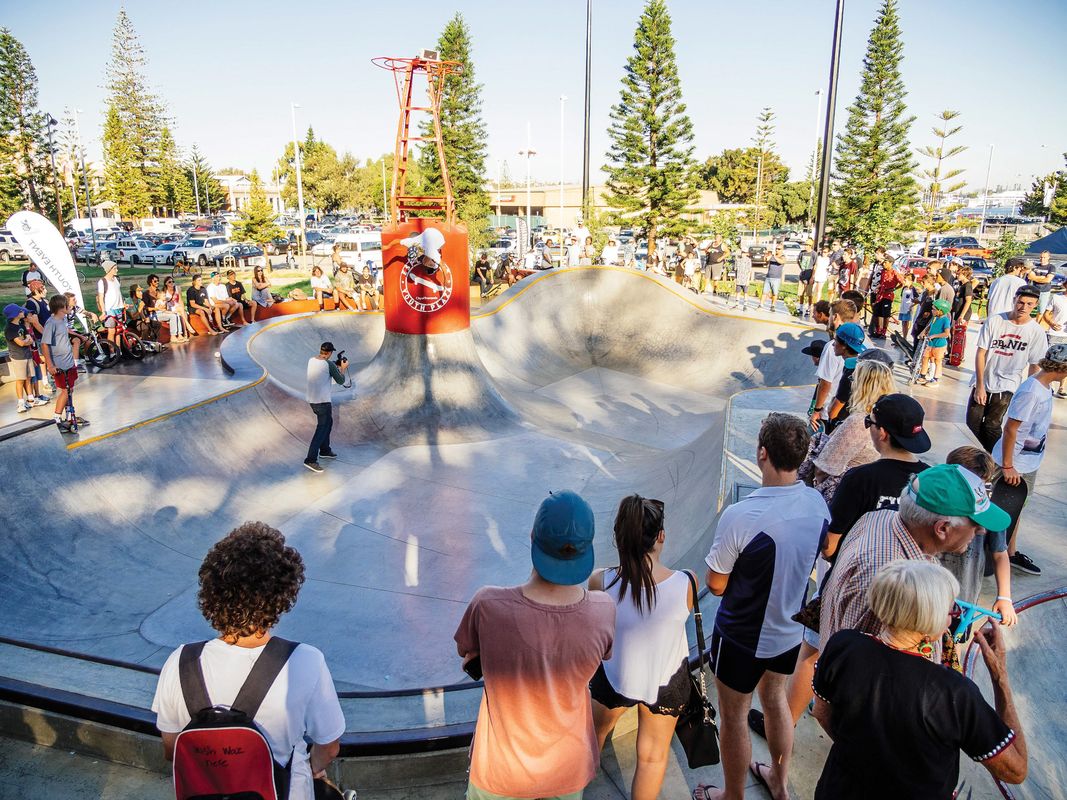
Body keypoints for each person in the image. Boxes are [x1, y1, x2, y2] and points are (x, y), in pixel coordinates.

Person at [152, 522, 345, 800]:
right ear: (282, 596)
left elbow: (172, 750)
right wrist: (312, 769)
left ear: (212, 593)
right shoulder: (305, 661)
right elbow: (329, 747)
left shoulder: (180, 662)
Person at [694, 413, 828, 800]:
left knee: (735, 716)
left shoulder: (742, 515)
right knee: (776, 701)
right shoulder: (817, 503)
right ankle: (780, 784)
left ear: (762, 453)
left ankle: (733, 795)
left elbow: (715, 584)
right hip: (788, 631)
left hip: (741, 635)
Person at [812, 560, 1028, 799]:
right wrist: (999, 676)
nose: (952, 619)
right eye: (951, 612)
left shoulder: (843, 646)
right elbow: (1016, 770)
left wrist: (868, 756)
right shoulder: (954, 693)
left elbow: (822, 713)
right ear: (929, 622)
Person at [454, 491, 615, 800]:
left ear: (532, 537)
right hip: (567, 767)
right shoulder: (603, 610)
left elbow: (465, 650)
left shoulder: (488, 604)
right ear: (587, 549)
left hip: (501, 770)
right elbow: (604, 654)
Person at [819, 463, 1010, 653]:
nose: (981, 531)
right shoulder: (896, 587)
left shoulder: (880, 517)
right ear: (943, 528)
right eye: (975, 524)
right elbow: (870, 662)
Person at [588, 496, 694, 800]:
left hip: (615, 674)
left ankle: (572, 788)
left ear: (619, 538)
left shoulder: (600, 581)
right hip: (666, 680)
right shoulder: (687, 582)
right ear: (661, 536)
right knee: (652, 758)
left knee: (592, 738)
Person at [990, 342, 1067, 577]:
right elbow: (1011, 428)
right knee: (1002, 509)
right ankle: (992, 554)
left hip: (1026, 461)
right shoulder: (1032, 391)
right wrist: (1008, 465)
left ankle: (1010, 552)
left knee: (1017, 508)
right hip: (1015, 463)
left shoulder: (1043, 386)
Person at [939, 446, 1017, 629]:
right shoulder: (935, 504)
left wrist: (1005, 597)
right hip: (929, 594)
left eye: (981, 486)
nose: (980, 530)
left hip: (964, 598)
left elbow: (1000, 554)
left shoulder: (988, 512)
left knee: (955, 638)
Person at [966, 285, 1047, 452]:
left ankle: (1000, 458)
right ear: (1014, 300)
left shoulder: (1036, 331)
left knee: (992, 424)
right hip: (984, 378)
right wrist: (980, 385)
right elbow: (981, 353)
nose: (1024, 307)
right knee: (972, 422)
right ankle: (998, 455)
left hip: (1008, 383)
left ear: (1035, 305)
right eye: (1021, 302)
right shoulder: (995, 321)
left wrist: (1030, 393)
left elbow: (1035, 365)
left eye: (1029, 304)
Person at [811, 360, 895, 504]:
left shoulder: (860, 421)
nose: (851, 383)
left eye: (853, 378)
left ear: (863, 385)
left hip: (844, 499)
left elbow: (824, 468)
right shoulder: (891, 416)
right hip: (870, 495)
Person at [41, 294, 89, 432]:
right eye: (67, 305)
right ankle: (56, 418)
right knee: (65, 390)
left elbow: (66, 332)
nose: (70, 307)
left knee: (70, 389)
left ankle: (69, 416)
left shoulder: (62, 320)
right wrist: (50, 365)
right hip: (59, 364)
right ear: (62, 307)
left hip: (68, 362)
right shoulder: (51, 323)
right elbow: (44, 344)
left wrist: (79, 336)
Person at [809, 299, 858, 432]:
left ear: (835, 317)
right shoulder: (862, 340)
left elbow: (825, 383)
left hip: (830, 410)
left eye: (830, 314)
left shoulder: (833, 347)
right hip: (851, 410)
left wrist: (817, 410)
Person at [303, 342, 347, 473]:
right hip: (322, 402)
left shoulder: (312, 360)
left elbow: (324, 368)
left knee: (328, 423)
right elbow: (341, 381)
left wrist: (335, 365)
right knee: (322, 429)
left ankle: (325, 450)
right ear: (330, 353)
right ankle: (310, 460)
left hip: (313, 400)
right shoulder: (329, 365)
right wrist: (343, 368)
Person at [4, 304, 38, 413]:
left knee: (28, 377)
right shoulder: (10, 329)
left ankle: (31, 399)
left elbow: (30, 340)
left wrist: (25, 341)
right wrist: (25, 341)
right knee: (20, 379)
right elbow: (21, 343)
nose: (23, 312)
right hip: (18, 357)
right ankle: (20, 402)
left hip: (27, 355)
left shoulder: (21, 326)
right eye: (20, 311)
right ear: (15, 314)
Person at [916, 299, 952, 386]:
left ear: (940, 311)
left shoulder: (945, 320)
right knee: (925, 358)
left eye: (934, 309)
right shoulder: (934, 318)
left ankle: (936, 379)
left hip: (939, 345)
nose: (932, 310)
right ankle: (922, 376)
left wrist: (934, 336)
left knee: (937, 361)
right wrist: (922, 333)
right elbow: (928, 327)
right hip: (930, 344)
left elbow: (946, 333)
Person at [96, 260, 124, 344]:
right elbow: (101, 297)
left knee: (118, 331)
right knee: (111, 331)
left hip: (119, 308)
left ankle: (118, 349)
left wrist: (123, 303)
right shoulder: (102, 281)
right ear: (109, 269)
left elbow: (119, 293)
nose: (117, 270)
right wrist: (103, 311)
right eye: (114, 269)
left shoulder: (116, 279)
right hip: (110, 309)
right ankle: (111, 350)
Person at [759, 243, 786, 312]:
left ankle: (773, 306)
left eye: (779, 249)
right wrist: (766, 256)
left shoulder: (783, 257)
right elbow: (766, 262)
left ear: (782, 250)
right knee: (764, 292)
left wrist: (774, 256)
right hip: (768, 277)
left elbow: (781, 262)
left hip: (776, 278)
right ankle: (761, 305)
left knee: (775, 293)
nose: (777, 250)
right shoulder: (772, 256)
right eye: (776, 249)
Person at [795, 239, 818, 318]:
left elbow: (815, 266)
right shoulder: (802, 252)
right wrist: (801, 268)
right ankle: (801, 308)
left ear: (811, 246)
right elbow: (798, 261)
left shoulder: (814, 254)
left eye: (808, 245)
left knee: (809, 294)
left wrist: (812, 277)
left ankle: (808, 309)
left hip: (809, 276)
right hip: (802, 275)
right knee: (801, 293)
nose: (806, 246)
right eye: (806, 244)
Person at [897, 272, 917, 340]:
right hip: (903, 308)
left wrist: (911, 306)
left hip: (908, 309)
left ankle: (905, 337)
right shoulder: (904, 288)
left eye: (905, 280)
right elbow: (902, 297)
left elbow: (916, 300)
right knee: (903, 323)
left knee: (906, 323)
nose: (904, 281)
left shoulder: (913, 289)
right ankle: (903, 336)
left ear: (911, 281)